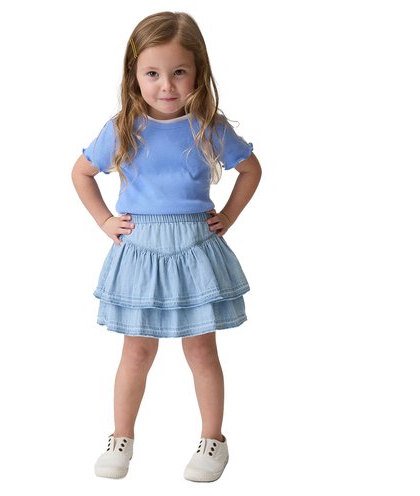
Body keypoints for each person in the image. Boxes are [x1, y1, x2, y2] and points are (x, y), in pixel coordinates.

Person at [71, 11, 262, 483]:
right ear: (133, 74)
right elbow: (81, 173)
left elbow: (251, 169)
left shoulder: (208, 127)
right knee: (136, 352)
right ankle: (121, 436)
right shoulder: (123, 127)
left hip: (195, 248)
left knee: (201, 350)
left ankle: (213, 439)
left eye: (179, 72)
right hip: (141, 252)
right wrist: (105, 220)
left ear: (198, 71)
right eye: (153, 73)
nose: (167, 86)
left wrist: (229, 215)